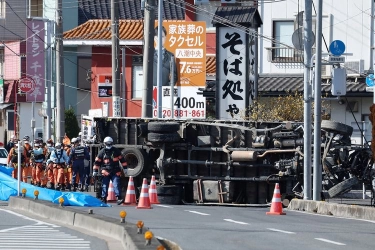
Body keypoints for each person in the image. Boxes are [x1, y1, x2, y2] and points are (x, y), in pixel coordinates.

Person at [93, 136, 127, 204]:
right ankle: (104, 198)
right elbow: (97, 162)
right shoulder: (102, 152)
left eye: (110, 143)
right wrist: (95, 171)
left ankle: (119, 198)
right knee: (105, 185)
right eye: (107, 144)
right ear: (105, 144)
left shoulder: (116, 151)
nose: (109, 145)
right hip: (105, 171)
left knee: (116, 184)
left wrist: (125, 168)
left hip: (115, 170)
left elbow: (122, 160)